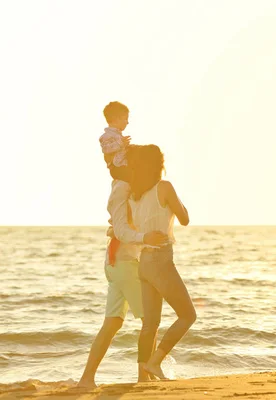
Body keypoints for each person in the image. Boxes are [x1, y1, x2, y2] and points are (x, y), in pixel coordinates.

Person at [77, 106, 168, 388]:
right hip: (125, 262)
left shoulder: (133, 190)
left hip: (118, 261)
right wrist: (144, 238)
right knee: (150, 320)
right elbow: (121, 229)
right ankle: (144, 377)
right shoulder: (122, 188)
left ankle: (87, 379)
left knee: (113, 323)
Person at [127, 144, 195, 380]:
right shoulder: (164, 187)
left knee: (150, 324)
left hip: (144, 262)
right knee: (188, 315)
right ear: (159, 164)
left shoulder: (134, 195)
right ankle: (155, 363)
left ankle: (142, 378)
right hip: (160, 260)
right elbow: (185, 218)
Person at [99, 101, 132, 182]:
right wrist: (121, 143)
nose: (127, 122)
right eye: (125, 119)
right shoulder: (106, 136)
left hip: (123, 166)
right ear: (117, 119)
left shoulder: (118, 136)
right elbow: (106, 149)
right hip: (118, 168)